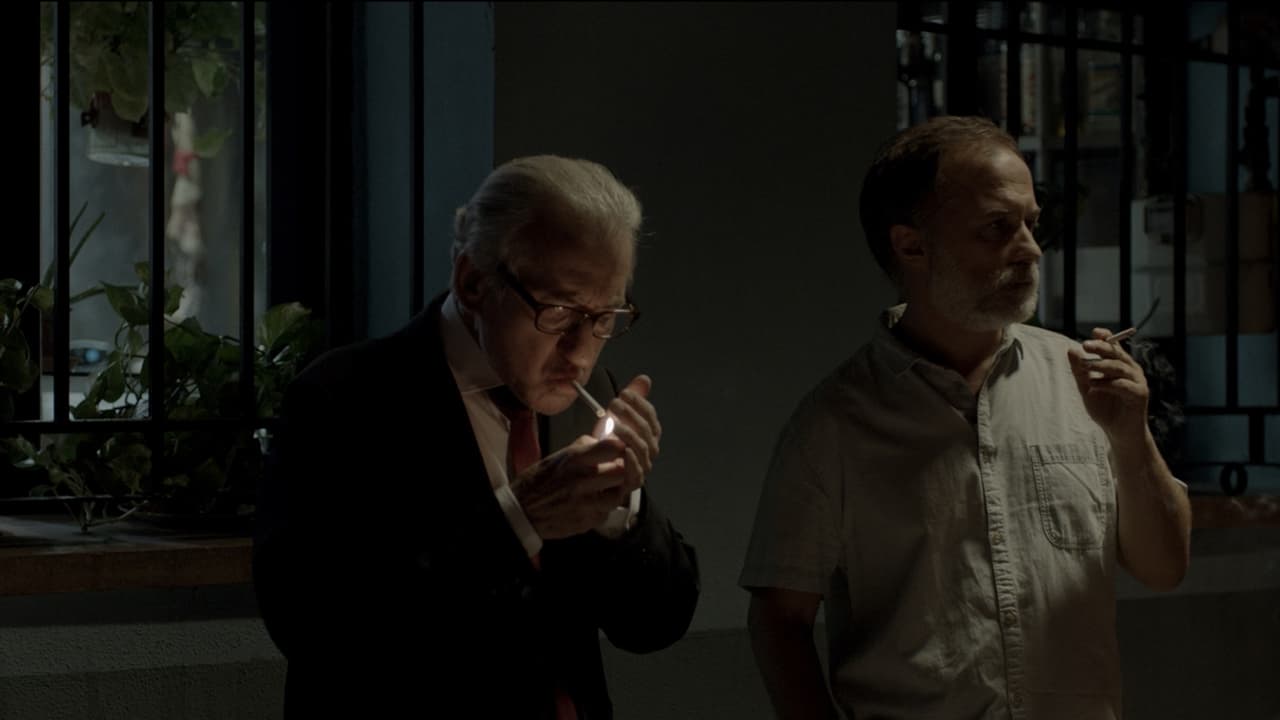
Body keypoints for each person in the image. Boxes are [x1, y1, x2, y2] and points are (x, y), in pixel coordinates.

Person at [740, 116, 1191, 719]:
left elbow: (1165, 568)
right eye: (997, 228)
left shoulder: (1080, 381)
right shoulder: (836, 423)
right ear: (911, 245)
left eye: (1030, 223)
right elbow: (779, 619)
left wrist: (1131, 439)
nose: (1030, 249)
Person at [254, 155, 700, 719]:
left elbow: (653, 626)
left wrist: (623, 511)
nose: (581, 352)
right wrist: (517, 520)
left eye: (605, 316)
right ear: (472, 282)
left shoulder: (589, 397)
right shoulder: (343, 400)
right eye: (560, 311)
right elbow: (316, 632)